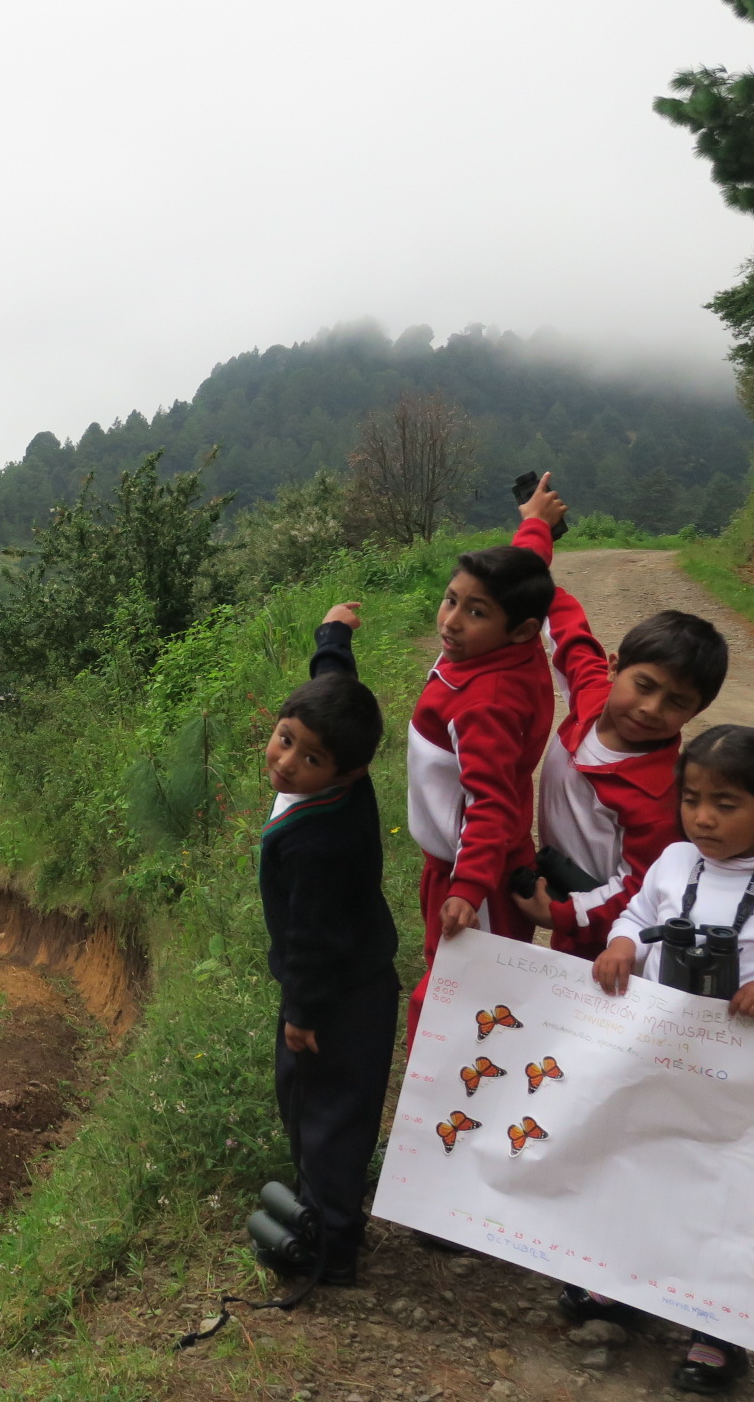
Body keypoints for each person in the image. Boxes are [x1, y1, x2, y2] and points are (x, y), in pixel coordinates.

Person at [589, 725, 754, 1395]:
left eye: (725, 803)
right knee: (642, 1166)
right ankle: (621, 1286)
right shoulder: (675, 861)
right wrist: (623, 944)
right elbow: (635, 914)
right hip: (656, 1057)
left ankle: (717, 1328)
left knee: (724, 1193)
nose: (703, 817)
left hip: (737, 1079)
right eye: (691, 798)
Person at [505, 473, 731, 957]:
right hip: (568, 906)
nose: (651, 709)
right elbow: (550, 604)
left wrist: (563, 915)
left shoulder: (663, 792)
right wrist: (536, 527)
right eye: (643, 686)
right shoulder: (590, 695)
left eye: (677, 703)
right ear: (615, 667)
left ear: (700, 709)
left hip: (613, 945)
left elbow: (643, 887)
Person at [256, 601, 396, 1286]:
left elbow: (314, 939)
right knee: (309, 1099)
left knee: (327, 1105)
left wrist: (303, 1014)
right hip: (355, 976)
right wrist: (333, 635)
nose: (287, 762)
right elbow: (333, 682)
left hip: (339, 994)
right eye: (285, 738)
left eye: (310, 758)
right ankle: (321, 1207)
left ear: (349, 773)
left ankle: (332, 1242)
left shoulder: (320, 842)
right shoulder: (340, 774)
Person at [403, 509, 557, 1039]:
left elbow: (492, 804)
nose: (451, 620)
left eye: (475, 613)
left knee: (462, 996)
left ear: (521, 630)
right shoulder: (509, 652)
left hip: (479, 875)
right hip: (460, 863)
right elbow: (528, 567)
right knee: (465, 985)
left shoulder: (484, 704)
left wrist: (468, 890)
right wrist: (535, 524)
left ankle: (446, 1102)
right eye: (452, 600)